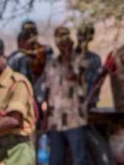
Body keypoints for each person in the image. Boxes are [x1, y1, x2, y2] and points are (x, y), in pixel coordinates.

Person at [44, 26, 89, 165]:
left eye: (65, 39)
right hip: (55, 122)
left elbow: (73, 75)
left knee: (79, 159)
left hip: (74, 119)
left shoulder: (79, 61)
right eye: (60, 40)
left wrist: (69, 55)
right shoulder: (51, 64)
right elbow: (47, 91)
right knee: (56, 160)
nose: (63, 44)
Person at [75, 22, 102, 107]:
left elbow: (97, 84)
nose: (82, 39)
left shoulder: (95, 59)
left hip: (89, 103)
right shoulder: (68, 57)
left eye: (85, 36)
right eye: (81, 35)